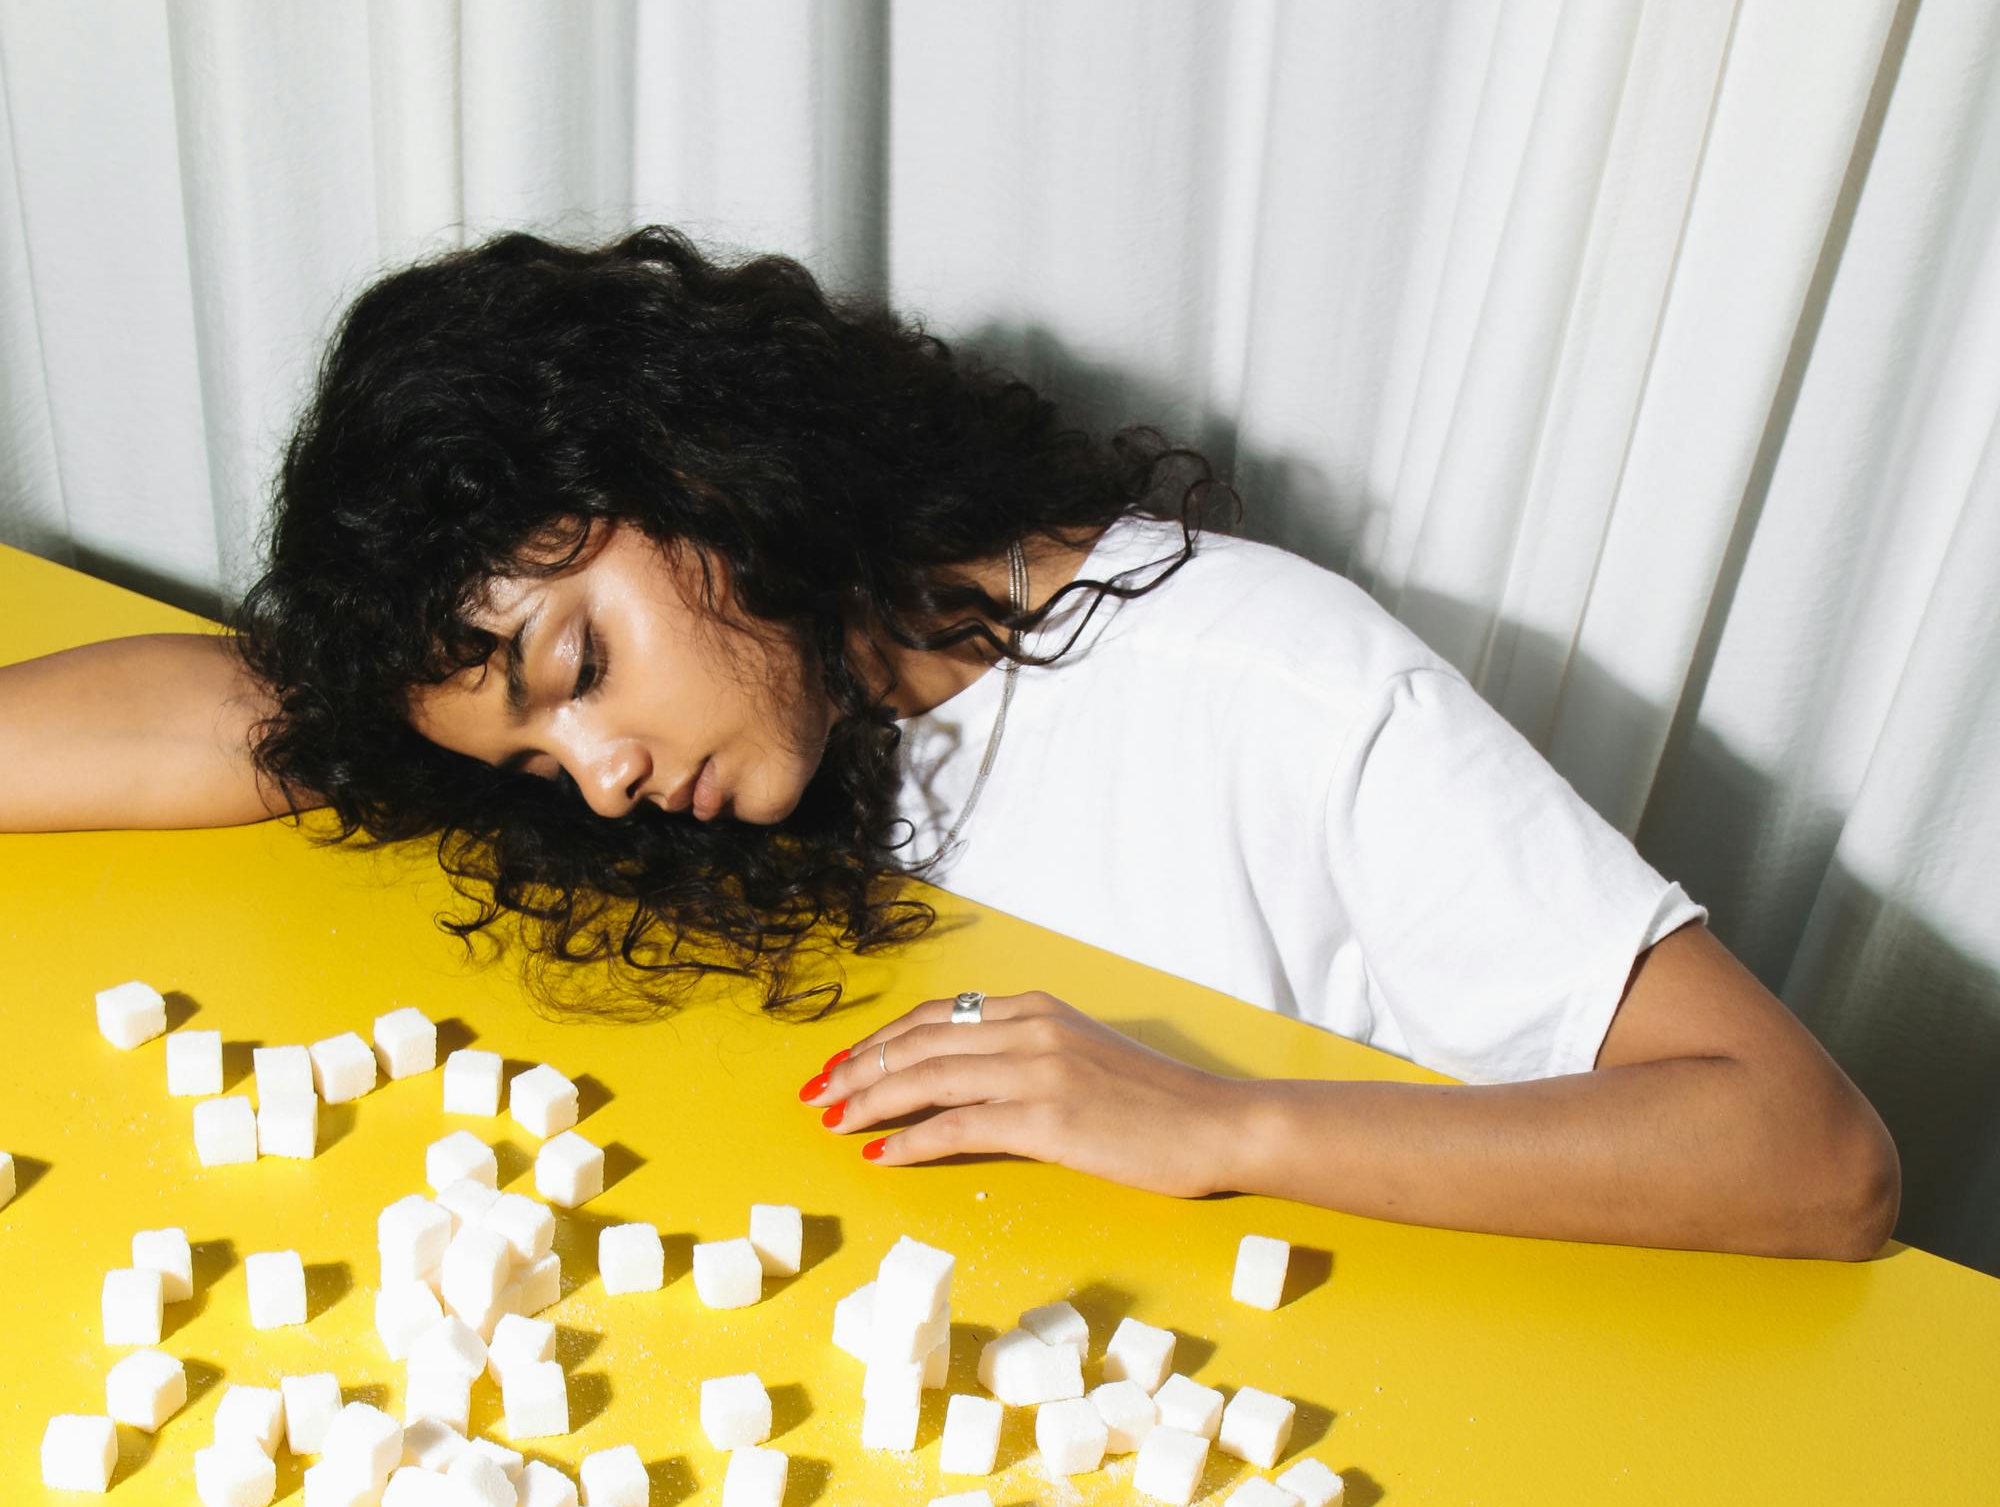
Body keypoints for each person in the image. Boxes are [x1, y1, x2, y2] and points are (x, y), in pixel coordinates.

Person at [0, 224, 1896, 1259]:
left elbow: (1810, 1153)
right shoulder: (718, 725)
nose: (592, 775)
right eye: (523, 758)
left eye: (580, 666)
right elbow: (242, 714)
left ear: (702, 479)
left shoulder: (1277, 687)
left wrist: (1217, 1122)